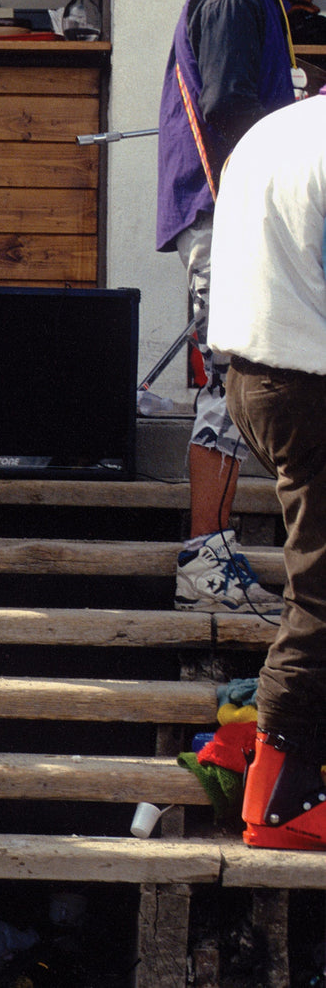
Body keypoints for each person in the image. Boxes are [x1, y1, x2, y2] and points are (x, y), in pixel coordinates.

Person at [156, 0, 323, 614]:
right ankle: (203, 557)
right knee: (225, 378)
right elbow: (226, 111)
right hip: (227, 214)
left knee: (233, 378)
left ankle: (213, 550)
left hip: (237, 213)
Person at [207, 94, 326, 851]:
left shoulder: (279, 128)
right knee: (323, 593)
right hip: (311, 379)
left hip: (253, 377)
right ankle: (277, 799)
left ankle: (266, 756)